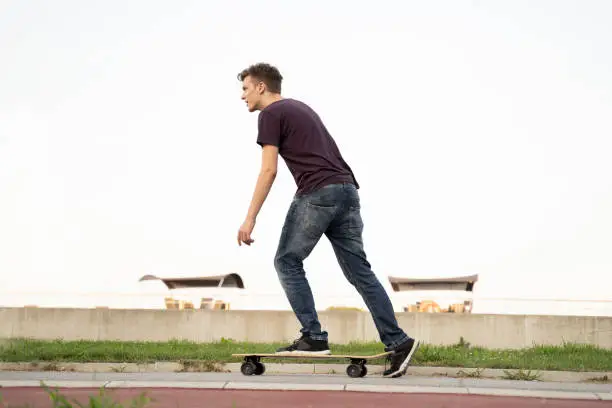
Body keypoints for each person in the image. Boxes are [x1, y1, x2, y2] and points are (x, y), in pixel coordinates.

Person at [235, 62, 420, 378]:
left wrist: (249, 219)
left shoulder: (270, 114)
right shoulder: (300, 108)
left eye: (245, 88)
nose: (242, 96)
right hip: (346, 190)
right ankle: (398, 341)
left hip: (319, 192)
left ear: (261, 87)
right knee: (360, 272)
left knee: (286, 261)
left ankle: (313, 336)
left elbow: (268, 170)